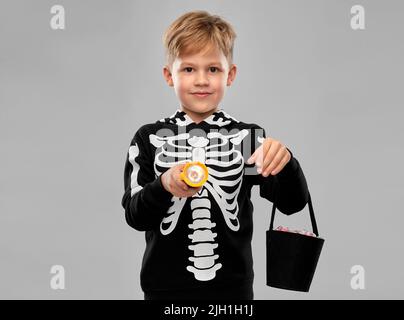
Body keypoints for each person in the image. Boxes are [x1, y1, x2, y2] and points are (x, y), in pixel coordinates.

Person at [121, 10, 309, 300]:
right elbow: (135, 216)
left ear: (230, 74)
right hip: (163, 291)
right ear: (169, 75)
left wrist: (286, 162)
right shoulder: (149, 138)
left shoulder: (247, 139)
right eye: (188, 69)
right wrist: (163, 185)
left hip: (233, 293)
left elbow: (292, 203)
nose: (201, 80)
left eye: (213, 69)